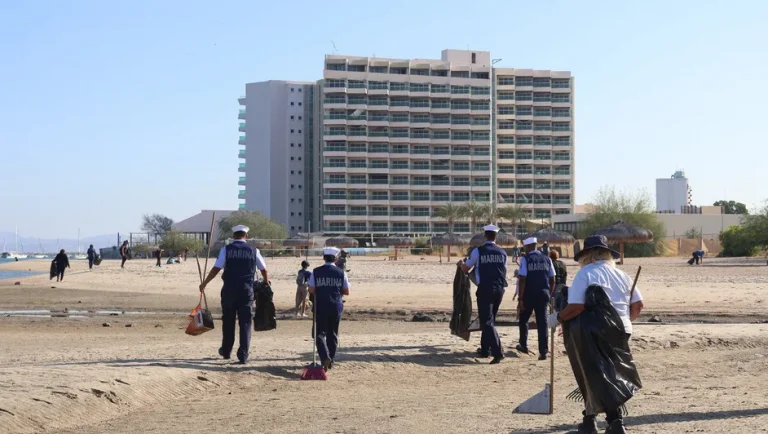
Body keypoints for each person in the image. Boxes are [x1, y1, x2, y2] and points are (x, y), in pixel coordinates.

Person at [549, 235, 644, 434]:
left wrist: (557, 318)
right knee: (604, 375)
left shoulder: (586, 273)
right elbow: (638, 305)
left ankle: (614, 422)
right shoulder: (622, 275)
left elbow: (576, 306)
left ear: (588, 255)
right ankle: (590, 419)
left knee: (595, 375)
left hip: (594, 332)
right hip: (622, 331)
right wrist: (625, 320)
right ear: (608, 255)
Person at [199, 225, 269, 364]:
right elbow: (264, 270)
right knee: (245, 322)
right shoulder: (254, 250)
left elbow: (216, 269)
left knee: (228, 321)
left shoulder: (226, 249)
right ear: (246, 236)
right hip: (246, 291)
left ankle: (226, 351)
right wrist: (266, 283)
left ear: (234, 236)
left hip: (229, 291)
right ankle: (243, 354)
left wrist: (204, 283)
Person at [458, 224, 508, 364]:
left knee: (486, 321)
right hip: (499, 289)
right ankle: (485, 349)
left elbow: (466, 268)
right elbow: (503, 272)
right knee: (490, 320)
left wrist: (461, 265)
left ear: (485, 236)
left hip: (485, 288)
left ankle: (498, 352)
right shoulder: (503, 253)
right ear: (496, 237)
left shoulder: (478, 251)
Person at [308, 247, 351, 370]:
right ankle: (330, 361)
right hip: (336, 306)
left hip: (321, 306)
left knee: (319, 334)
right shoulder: (341, 272)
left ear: (323, 258)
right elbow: (347, 291)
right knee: (332, 335)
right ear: (336, 259)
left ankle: (325, 357)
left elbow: (311, 289)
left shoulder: (316, 271)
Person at [517, 237, 556, 360]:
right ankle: (543, 352)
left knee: (523, 319)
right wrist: (549, 294)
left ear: (528, 247)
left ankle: (523, 345)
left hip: (529, 294)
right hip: (543, 294)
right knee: (542, 322)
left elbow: (522, 279)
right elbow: (553, 279)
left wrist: (520, 299)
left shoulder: (526, 259)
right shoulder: (547, 259)